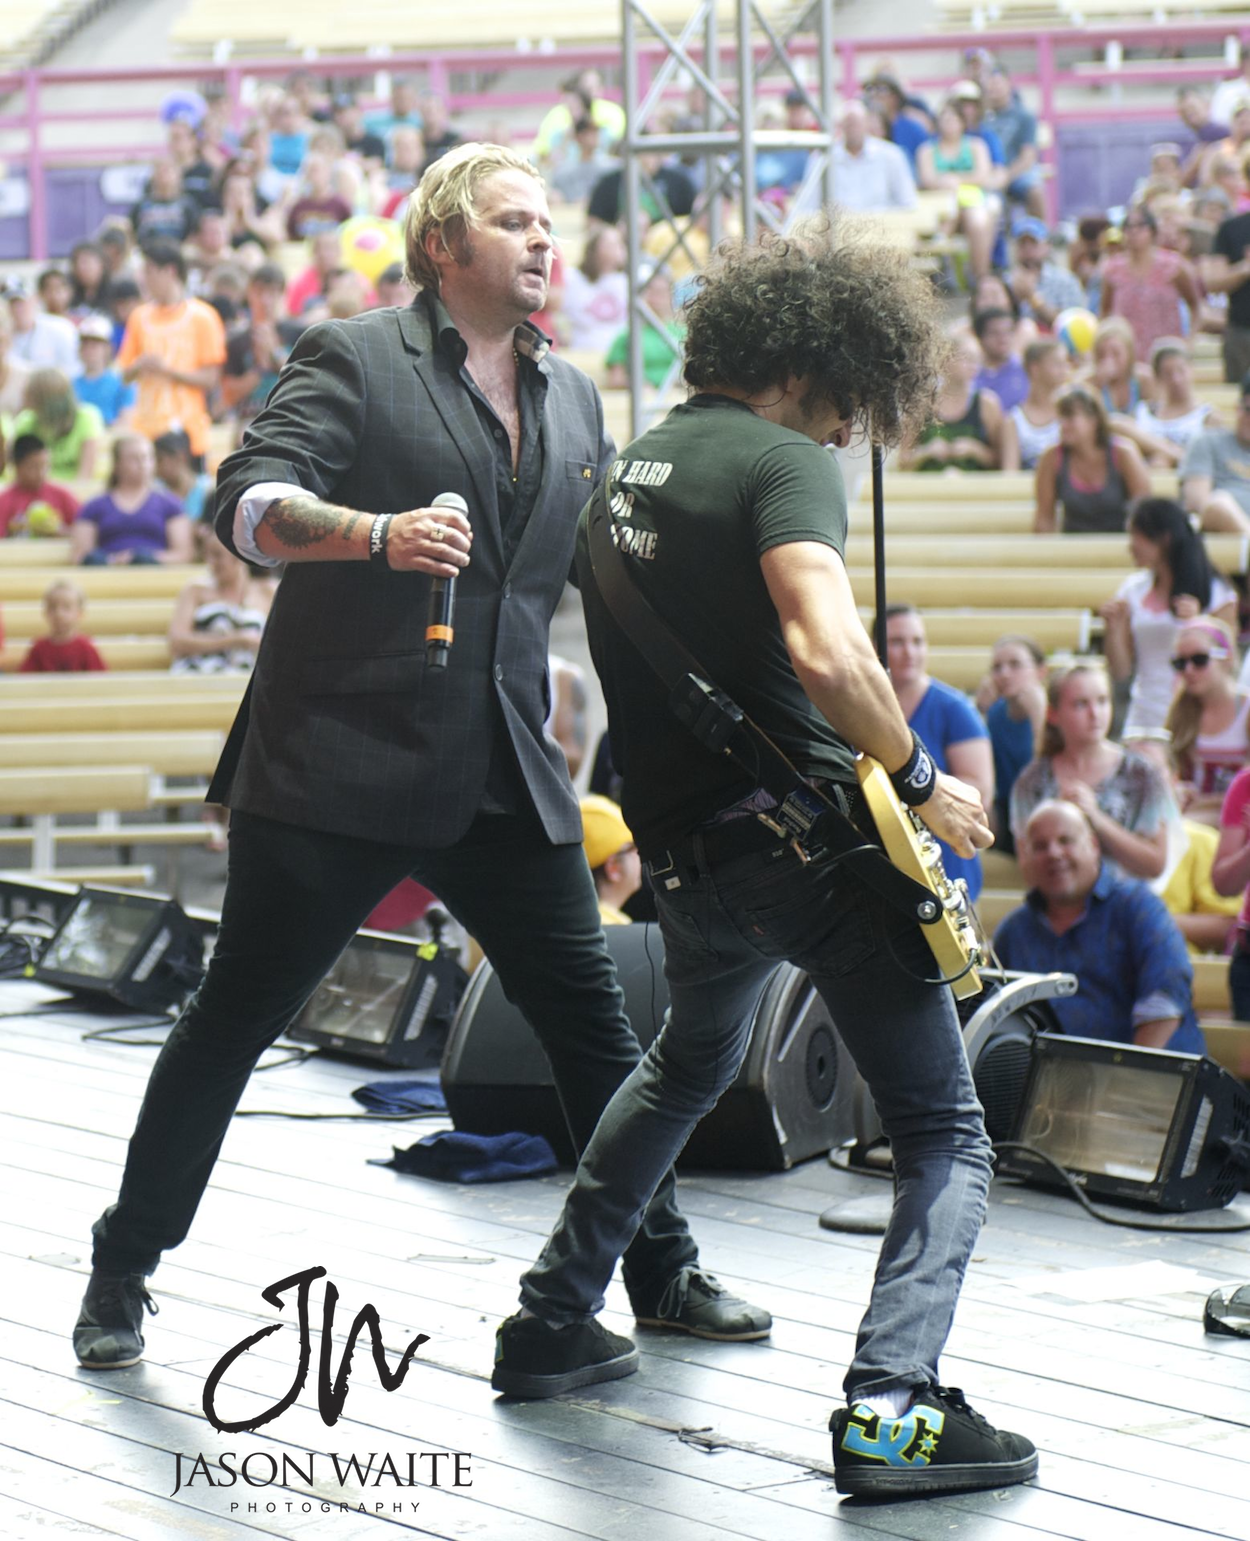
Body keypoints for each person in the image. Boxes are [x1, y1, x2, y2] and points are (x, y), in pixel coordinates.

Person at [72, 142, 768, 1374]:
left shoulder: (574, 397)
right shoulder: (354, 355)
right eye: (511, 220)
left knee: (597, 1028)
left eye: (547, 221)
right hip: (337, 761)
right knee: (232, 1020)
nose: (543, 239)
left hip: (503, 762)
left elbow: (602, 576)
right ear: (441, 244)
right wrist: (374, 532)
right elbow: (245, 502)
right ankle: (123, 1263)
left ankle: (659, 1267)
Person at [492, 226, 1038, 1500]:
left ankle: (550, 1319)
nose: (849, 430)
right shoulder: (780, 461)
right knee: (944, 1132)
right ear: (805, 363)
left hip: (686, 860)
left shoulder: (629, 469)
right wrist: (917, 774)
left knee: (683, 1066)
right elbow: (826, 651)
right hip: (807, 849)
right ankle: (890, 1412)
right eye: (849, 400)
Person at [994, 801, 1204, 1052]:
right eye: (1040, 846)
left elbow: (1166, 996)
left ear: (1093, 846)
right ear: (1025, 858)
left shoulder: (1138, 907)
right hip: (1053, 1073)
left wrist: (1128, 1071)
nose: (1054, 853)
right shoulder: (1013, 932)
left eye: (1065, 841)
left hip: (1150, 1069)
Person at [1010, 662, 1171, 880]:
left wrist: (1097, 819)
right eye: (1080, 704)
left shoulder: (1141, 773)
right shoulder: (1032, 781)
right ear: (1054, 714)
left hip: (1128, 897)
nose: (1095, 713)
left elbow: (1155, 864)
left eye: (1102, 701)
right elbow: (1029, 868)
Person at [1101, 498, 1237, 735]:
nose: (1131, 546)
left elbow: (1229, 662)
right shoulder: (1132, 590)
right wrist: (1113, 630)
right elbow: (1121, 670)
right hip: (1144, 714)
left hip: (1197, 716)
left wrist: (1199, 625)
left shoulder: (1217, 593)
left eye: (1136, 536)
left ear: (1163, 539)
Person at [884, 603, 993, 899]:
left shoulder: (955, 709)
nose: (910, 652)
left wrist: (911, 786)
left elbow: (979, 792)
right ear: (875, 646)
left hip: (948, 871)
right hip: (885, 868)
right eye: (897, 641)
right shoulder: (857, 711)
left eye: (918, 641)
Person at [116, 240, 227, 464]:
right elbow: (124, 375)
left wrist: (166, 370)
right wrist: (140, 366)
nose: (144, 279)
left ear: (170, 271)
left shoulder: (203, 317)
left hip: (188, 434)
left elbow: (210, 379)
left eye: (149, 271)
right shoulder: (139, 317)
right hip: (146, 433)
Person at [1165, 618, 1249, 825]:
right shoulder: (1180, 712)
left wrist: (1202, 802)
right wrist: (1177, 791)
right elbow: (1170, 778)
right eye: (1180, 663)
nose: (1189, 670)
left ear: (1227, 658)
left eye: (1200, 660)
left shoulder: (1246, 711)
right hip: (1194, 820)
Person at [1033, 386, 1151, 534]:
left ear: (1093, 420)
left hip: (1120, 542)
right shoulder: (1051, 458)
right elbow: (1044, 519)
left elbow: (1143, 512)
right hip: (1072, 545)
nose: (1063, 425)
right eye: (1060, 418)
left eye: (1070, 417)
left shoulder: (1123, 454)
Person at [70, 434, 193, 566]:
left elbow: (184, 553)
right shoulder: (94, 506)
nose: (142, 464)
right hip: (106, 575)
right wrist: (111, 560)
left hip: (155, 575)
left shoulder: (171, 504)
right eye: (134, 458)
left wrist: (147, 558)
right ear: (117, 464)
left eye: (147, 458)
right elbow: (80, 554)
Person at [898, 330, 1009, 472]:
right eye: (967, 358)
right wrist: (926, 452)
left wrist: (976, 450)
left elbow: (1002, 462)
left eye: (977, 359)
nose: (973, 365)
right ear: (945, 360)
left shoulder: (987, 403)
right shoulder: (921, 404)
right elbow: (902, 463)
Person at [1100, 208, 1201, 359]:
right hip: (1128, 353)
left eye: (1140, 226)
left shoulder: (1173, 266)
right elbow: (1105, 311)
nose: (1134, 232)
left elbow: (1195, 305)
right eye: (1128, 227)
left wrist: (1190, 340)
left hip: (1165, 351)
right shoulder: (1113, 269)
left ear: (1152, 231)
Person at [168, 527, 272, 673]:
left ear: (239, 555)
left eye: (217, 555)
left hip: (249, 673)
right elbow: (177, 642)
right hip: (199, 671)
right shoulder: (195, 590)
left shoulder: (267, 591)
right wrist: (235, 640)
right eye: (207, 555)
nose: (211, 562)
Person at [915, 101, 996, 281]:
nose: (949, 124)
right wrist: (948, 184)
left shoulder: (976, 145)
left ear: (962, 122)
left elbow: (983, 175)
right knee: (944, 218)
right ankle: (939, 275)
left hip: (971, 199)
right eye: (945, 120)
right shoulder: (927, 149)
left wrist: (954, 180)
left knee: (979, 222)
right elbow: (927, 178)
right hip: (939, 202)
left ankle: (980, 276)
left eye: (953, 120)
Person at [982, 634, 1047, 853]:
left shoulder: (1056, 713)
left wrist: (1039, 718)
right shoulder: (994, 714)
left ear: (1040, 671)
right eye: (997, 668)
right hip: (1005, 812)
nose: (1004, 674)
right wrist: (979, 715)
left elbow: (1048, 779)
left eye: (1015, 665)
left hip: (1042, 806)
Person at [1180, 375, 1250, 532]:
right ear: (1237, 408)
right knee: (1219, 503)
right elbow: (1199, 505)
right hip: (1224, 532)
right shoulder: (1207, 442)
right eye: (1248, 410)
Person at [1130, 339, 1215, 466]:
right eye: (1168, 373)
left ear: (1191, 370)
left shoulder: (1207, 416)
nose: (1176, 380)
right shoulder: (1142, 411)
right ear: (1158, 378)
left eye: (1181, 371)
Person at [12, 368, 104, 480]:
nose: (23, 394)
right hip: (37, 488)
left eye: (30, 392)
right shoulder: (25, 422)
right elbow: (18, 471)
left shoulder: (86, 418)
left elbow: (85, 475)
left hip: (74, 488)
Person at [605, 264, 682, 390]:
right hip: (644, 394)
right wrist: (640, 386)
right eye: (650, 291)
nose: (655, 298)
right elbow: (616, 379)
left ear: (671, 295)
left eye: (661, 292)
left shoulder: (684, 333)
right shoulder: (627, 335)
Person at [982, 65, 1044, 217]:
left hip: (1016, 173)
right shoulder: (980, 117)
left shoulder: (1024, 116)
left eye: (998, 83)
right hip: (986, 174)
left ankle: (1040, 229)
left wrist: (1006, 177)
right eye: (990, 84)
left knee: (1035, 190)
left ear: (1009, 84)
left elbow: (1028, 157)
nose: (994, 88)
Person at [1002, 337, 1067, 470]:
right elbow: (1010, 471)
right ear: (1035, 369)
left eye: (1064, 363)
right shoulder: (1014, 420)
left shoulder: (1070, 413)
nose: (1064, 370)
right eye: (1057, 364)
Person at [561, 228, 628, 356]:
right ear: (594, 249)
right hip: (581, 352)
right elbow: (554, 314)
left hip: (620, 356)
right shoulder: (572, 278)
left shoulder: (631, 281)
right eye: (609, 245)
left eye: (619, 244)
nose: (615, 250)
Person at [1007, 220, 1086, 328]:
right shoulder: (1005, 281)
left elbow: (1072, 326)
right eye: (1022, 244)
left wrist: (1032, 298)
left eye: (1033, 243)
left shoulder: (1065, 281)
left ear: (1047, 246)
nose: (1028, 249)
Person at [0, 433, 79, 537]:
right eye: (34, 467)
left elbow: (84, 529)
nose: (41, 473)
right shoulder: (5, 501)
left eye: (45, 466)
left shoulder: (62, 496)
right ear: (17, 467)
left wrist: (61, 531)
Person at [19, 580, 106, 673]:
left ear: (80, 613)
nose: (59, 614)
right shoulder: (38, 648)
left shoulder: (86, 648)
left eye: (66, 607)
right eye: (53, 607)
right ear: (45, 612)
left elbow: (100, 678)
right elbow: (25, 677)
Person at [580, 795, 641, 925]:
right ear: (614, 867)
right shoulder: (619, 930)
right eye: (633, 848)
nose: (640, 855)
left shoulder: (565, 922)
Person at [1207, 198, 1250, 381]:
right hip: (1241, 331)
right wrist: (1244, 269)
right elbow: (1213, 283)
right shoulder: (1231, 228)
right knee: (1239, 393)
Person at [4, 276, 79, 376]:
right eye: (12, 304)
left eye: (21, 302)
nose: (17, 309)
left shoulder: (60, 328)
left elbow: (74, 368)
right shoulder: (4, 336)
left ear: (34, 300)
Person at [73, 313, 135, 427]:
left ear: (107, 348)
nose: (89, 350)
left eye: (95, 345)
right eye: (85, 345)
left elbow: (125, 420)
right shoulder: (70, 385)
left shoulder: (123, 383)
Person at [972, 306, 1028, 411]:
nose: (1003, 339)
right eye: (994, 333)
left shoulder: (1027, 370)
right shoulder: (970, 373)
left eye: (1008, 332)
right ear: (980, 337)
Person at [153, 428, 213, 524]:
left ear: (180, 457)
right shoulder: (155, 491)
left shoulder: (207, 489)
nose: (155, 466)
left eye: (160, 459)